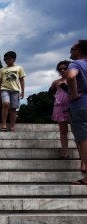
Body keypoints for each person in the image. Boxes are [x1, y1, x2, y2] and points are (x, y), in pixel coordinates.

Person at [67, 40, 87, 184]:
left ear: (79, 50)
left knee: (83, 139)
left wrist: (73, 94)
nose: (70, 52)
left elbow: (71, 76)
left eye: (72, 49)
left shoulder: (76, 64)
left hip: (81, 104)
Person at [0, 51, 26, 132]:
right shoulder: (2, 69)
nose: (7, 60)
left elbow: (22, 80)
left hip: (15, 90)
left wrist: (23, 91)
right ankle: (4, 125)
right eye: (5, 59)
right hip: (4, 89)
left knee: (13, 109)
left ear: (14, 59)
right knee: (6, 104)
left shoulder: (19, 68)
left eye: (9, 59)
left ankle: (12, 126)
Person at [49, 61, 71, 159]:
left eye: (64, 68)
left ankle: (82, 153)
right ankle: (64, 153)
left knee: (77, 130)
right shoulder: (56, 82)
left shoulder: (75, 79)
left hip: (72, 106)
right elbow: (50, 93)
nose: (62, 70)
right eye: (60, 69)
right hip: (60, 107)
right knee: (63, 130)